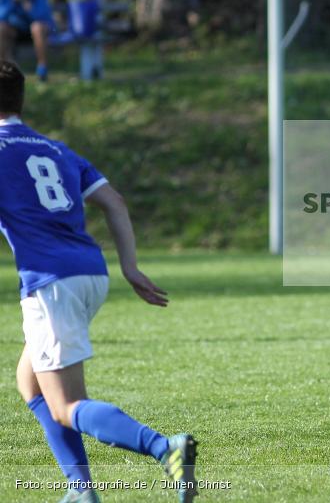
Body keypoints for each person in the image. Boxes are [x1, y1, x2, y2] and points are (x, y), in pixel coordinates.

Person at [0, 60, 198, 503]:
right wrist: (130, 266)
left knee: (66, 405)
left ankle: (165, 447)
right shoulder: (56, 149)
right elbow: (114, 202)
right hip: (90, 272)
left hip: (51, 282)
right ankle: (80, 489)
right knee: (30, 383)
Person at [0, 0, 53, 81]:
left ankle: (42, 69)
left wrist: (25, 2)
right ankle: (3, 70)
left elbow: (42, 15)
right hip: (13, 29)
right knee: (1, 28)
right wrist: (13, 2)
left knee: (37, 27)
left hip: (35, 31)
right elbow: (1, 15)